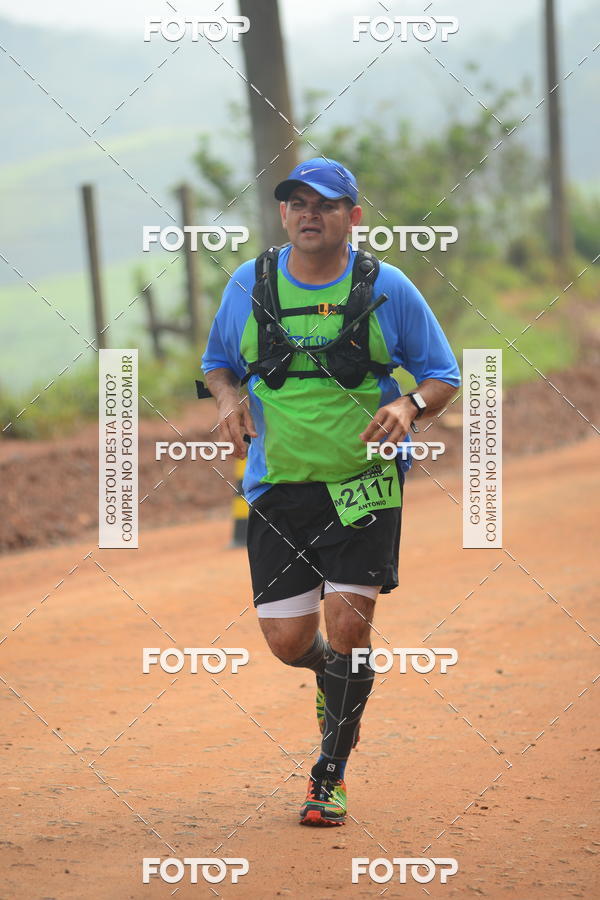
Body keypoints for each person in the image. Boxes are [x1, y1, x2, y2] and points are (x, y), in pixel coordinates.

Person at [202, 157, 460, 826]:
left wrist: (408, 405)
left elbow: (442, 374)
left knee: (348, 625)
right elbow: (218, 366)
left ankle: (329, 775)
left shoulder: (386, 287)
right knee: (289, 641)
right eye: (297, 203)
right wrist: (227, 400)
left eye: (325, 204)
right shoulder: (249, 285)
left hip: (363, 482)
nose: (309, 214)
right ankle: (331, 675)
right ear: (283, 213)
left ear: (354, 216)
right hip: (277, 487)